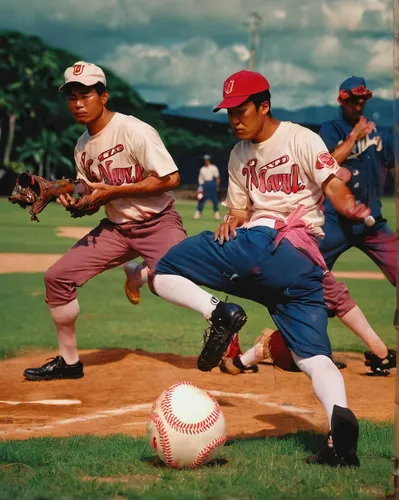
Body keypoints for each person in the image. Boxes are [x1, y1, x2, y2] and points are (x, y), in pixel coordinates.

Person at [150, 70, 370, 466]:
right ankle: (340, 437)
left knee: (161, 272)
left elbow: (332, 183)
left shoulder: (299, 137)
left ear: (264, 105)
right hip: (303, 268)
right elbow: (238, 210)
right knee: (313, 357)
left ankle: (219, 312)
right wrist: (232, 219)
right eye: (228, 112)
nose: (234, 119)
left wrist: (349, 204)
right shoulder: (238, 154)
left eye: (241, 110)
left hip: (268, 244)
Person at [23, 61, 187, 381]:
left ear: (104, 96)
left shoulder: (133, 130)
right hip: (115, 228)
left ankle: (139, 275)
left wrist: (111, 192)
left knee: (180, 275)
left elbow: (170, 178)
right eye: (72, 96)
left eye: (85, 95)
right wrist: (75, 198)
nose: (78, 103)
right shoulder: (82, 146)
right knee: (57, 277)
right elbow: (91, 189)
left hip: (157, 222)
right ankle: (69, 362)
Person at [318, 76, 396, 373]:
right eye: (354, 99)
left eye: (364, 99)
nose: (359, 104)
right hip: (334, 222)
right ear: (342, 99)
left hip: (373, 222)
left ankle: (385, 348)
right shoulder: (330, 130)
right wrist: (354, 136)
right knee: (309, 276)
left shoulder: (382, 135)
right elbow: (326, 164)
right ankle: (316, 352)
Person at [193, 154, 221, 220]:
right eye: (205, 160)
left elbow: (217, 178)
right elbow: (200, 179)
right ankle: (198, 213)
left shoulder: (213, 167)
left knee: (214, 199)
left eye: (207, 160)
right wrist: (200, 187)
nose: (206, 161)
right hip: (205, 184)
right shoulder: (202, 169)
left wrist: (217, 186)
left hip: (212, 184)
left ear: (209, 160)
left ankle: (216, 213)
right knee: (201, 199)